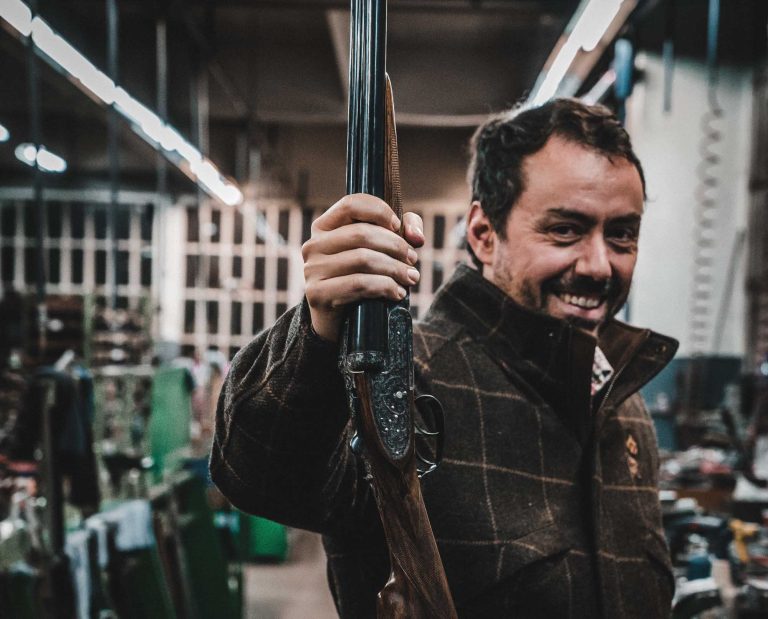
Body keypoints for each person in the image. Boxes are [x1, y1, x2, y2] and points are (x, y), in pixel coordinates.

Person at [210, 98, 678, 618]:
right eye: (564, 230)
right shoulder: (405, 381)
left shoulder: (623, 405)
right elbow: (263, 474)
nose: (598, 265)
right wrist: (319, 330)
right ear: (483, 233)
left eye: (622, 235)